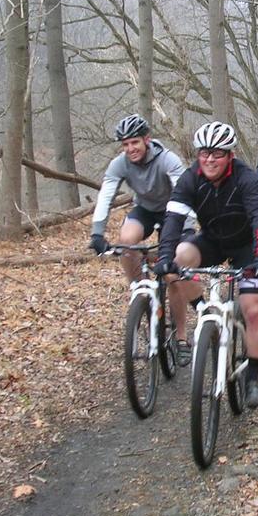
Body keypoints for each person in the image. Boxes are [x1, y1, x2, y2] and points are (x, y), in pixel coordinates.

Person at [155, 121, 258, 409]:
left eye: (217, 153)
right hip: (212, 240)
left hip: (246, 246)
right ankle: (202, 309)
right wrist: (164, 255)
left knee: (253, 311)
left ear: (230, 155)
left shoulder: (246, 179)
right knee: (178, 259)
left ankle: (252, 378)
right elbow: (173, 218)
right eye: (204, 152)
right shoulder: (190, 178)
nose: (210, 159)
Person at [88, 114, 194, 362]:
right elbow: (106, 196)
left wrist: (186, 228)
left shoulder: (168, 159)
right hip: (145, 210)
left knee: (172, 275)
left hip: (173, 210)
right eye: (125, 145)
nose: (130, 149)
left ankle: (180, 337)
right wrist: (97, 232)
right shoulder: (119, 164)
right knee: (127, 241)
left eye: (134, 142)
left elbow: (184, 192)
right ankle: (141, 292)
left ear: (147, 139)